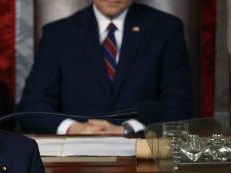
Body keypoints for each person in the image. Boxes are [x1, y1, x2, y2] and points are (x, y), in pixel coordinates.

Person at [18, 0, 192, 135]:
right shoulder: (57, 34)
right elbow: (32, 107)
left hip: (142, 154)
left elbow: (179, 107)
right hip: (76, 157)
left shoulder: (166, 29)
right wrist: (73, 128)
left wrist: (127, 130)